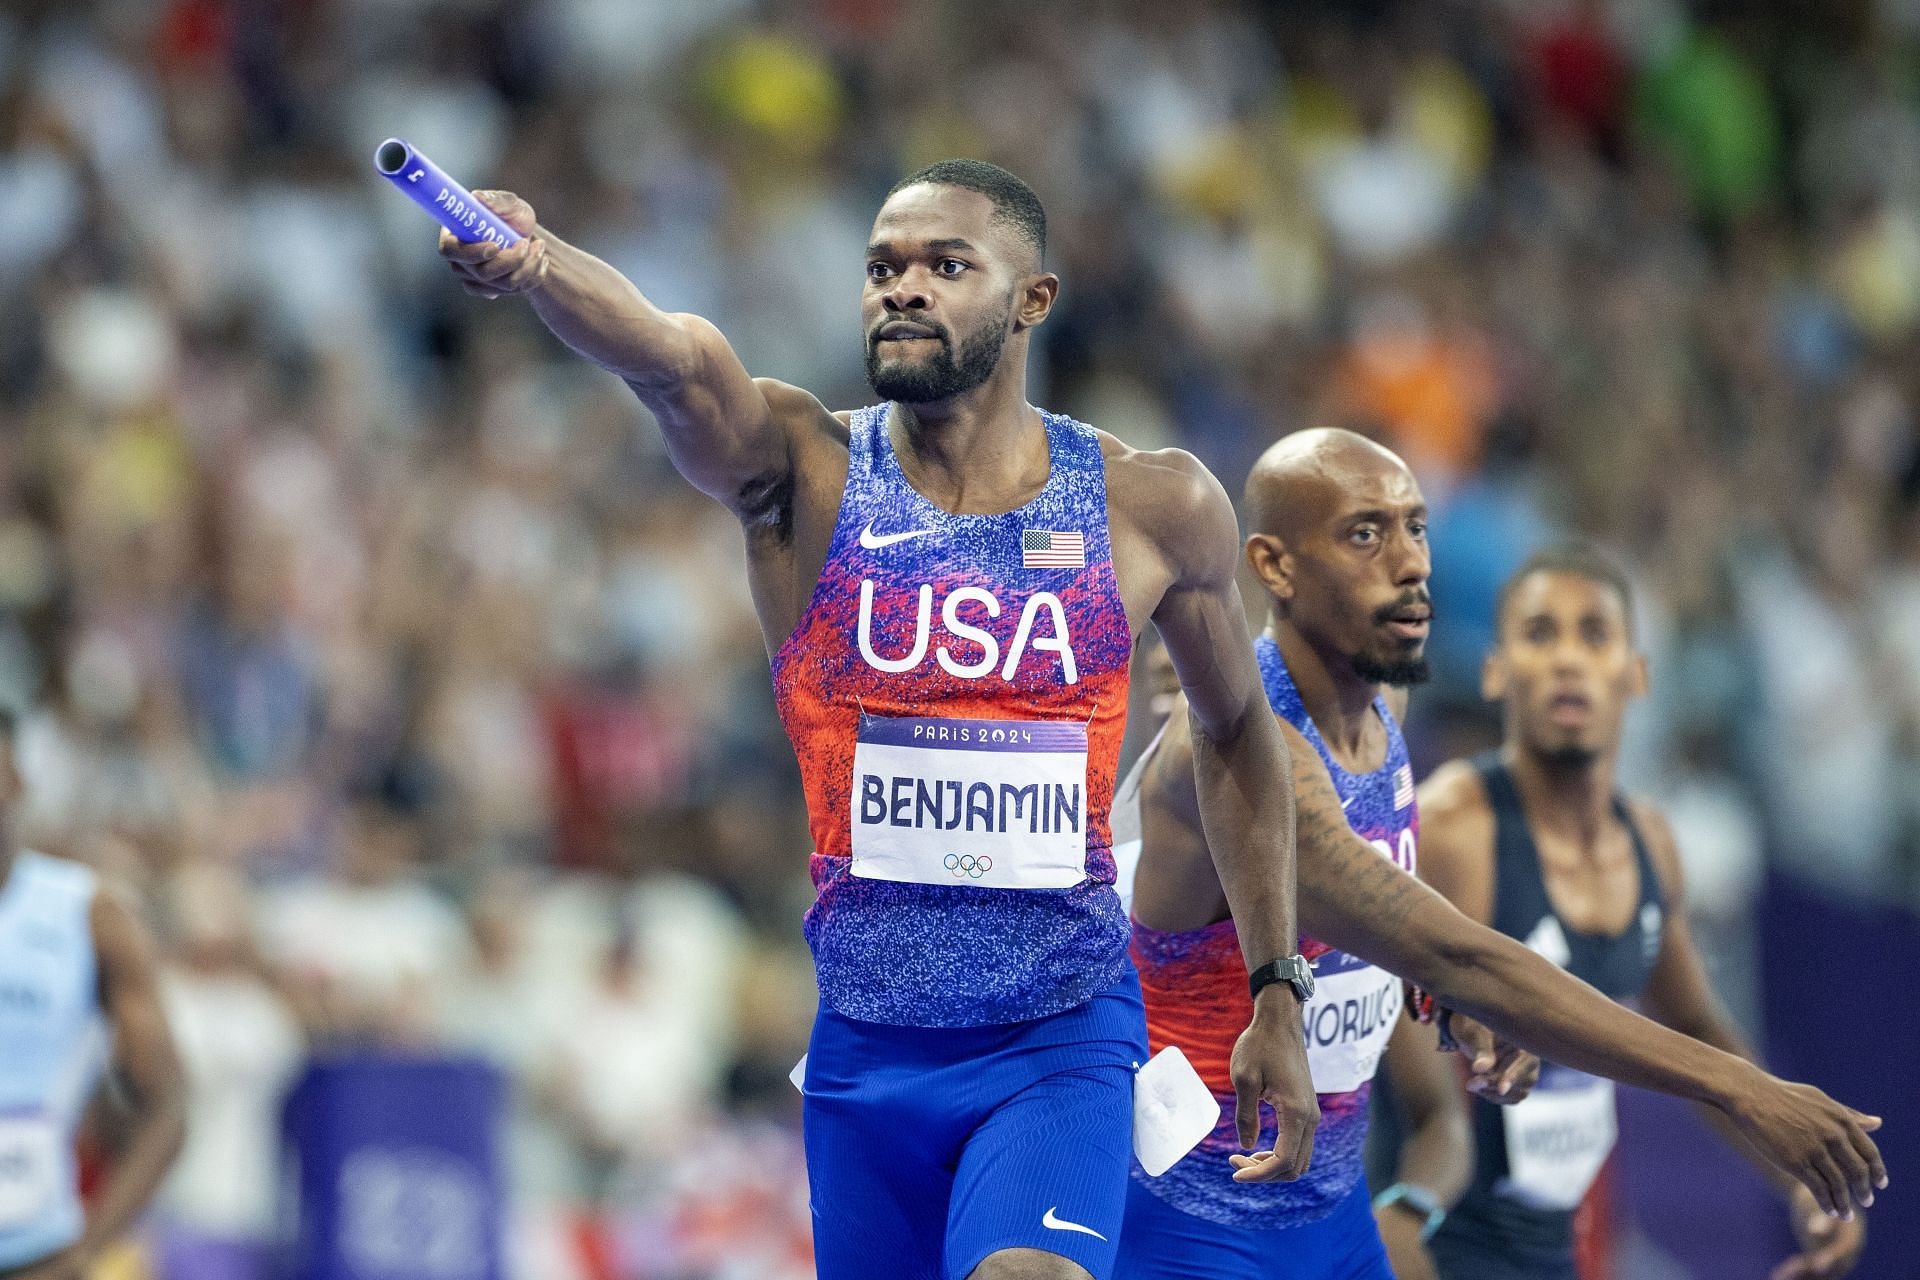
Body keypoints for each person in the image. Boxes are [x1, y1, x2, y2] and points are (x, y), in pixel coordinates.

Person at [438, 159, 1317, 1280]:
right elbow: (678, 363)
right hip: (866, 1054)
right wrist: (539, 261)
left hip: (1059, 1037)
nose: (903, 287)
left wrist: (1274, 988)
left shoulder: (1150, 505)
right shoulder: (805, 472)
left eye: (947, 265)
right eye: (882, 267)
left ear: (1032, 300)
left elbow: (1236, 734)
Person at [1120, 430, 1884, 1280]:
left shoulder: (1379, 721)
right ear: (1274, 566)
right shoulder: (1246, 753)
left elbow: (1375, 938)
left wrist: (1429, 1000)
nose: (1411, 563)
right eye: (1366, 534)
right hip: (1187, 1221)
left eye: (1417, 528)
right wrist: (1742, 1088)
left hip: (1329, 1217)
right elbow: (1455, 949)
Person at [1416, 546, 1868, 1280]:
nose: (1568, 660)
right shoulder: (1453, 829)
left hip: (1573, 1246)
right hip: (1440, 1249)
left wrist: (1799, 1181)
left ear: (1636, 674)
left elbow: (1692, 1025)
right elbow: (1418, 1057)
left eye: (1593, 635)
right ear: (1497, 671)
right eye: (1540, 634)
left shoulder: (1651, 843)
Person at [0, 710, 186, 1279]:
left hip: (37, 1252)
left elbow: (166, 1110)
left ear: (17, 781)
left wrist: (87, 1250)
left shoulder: (89, 915)